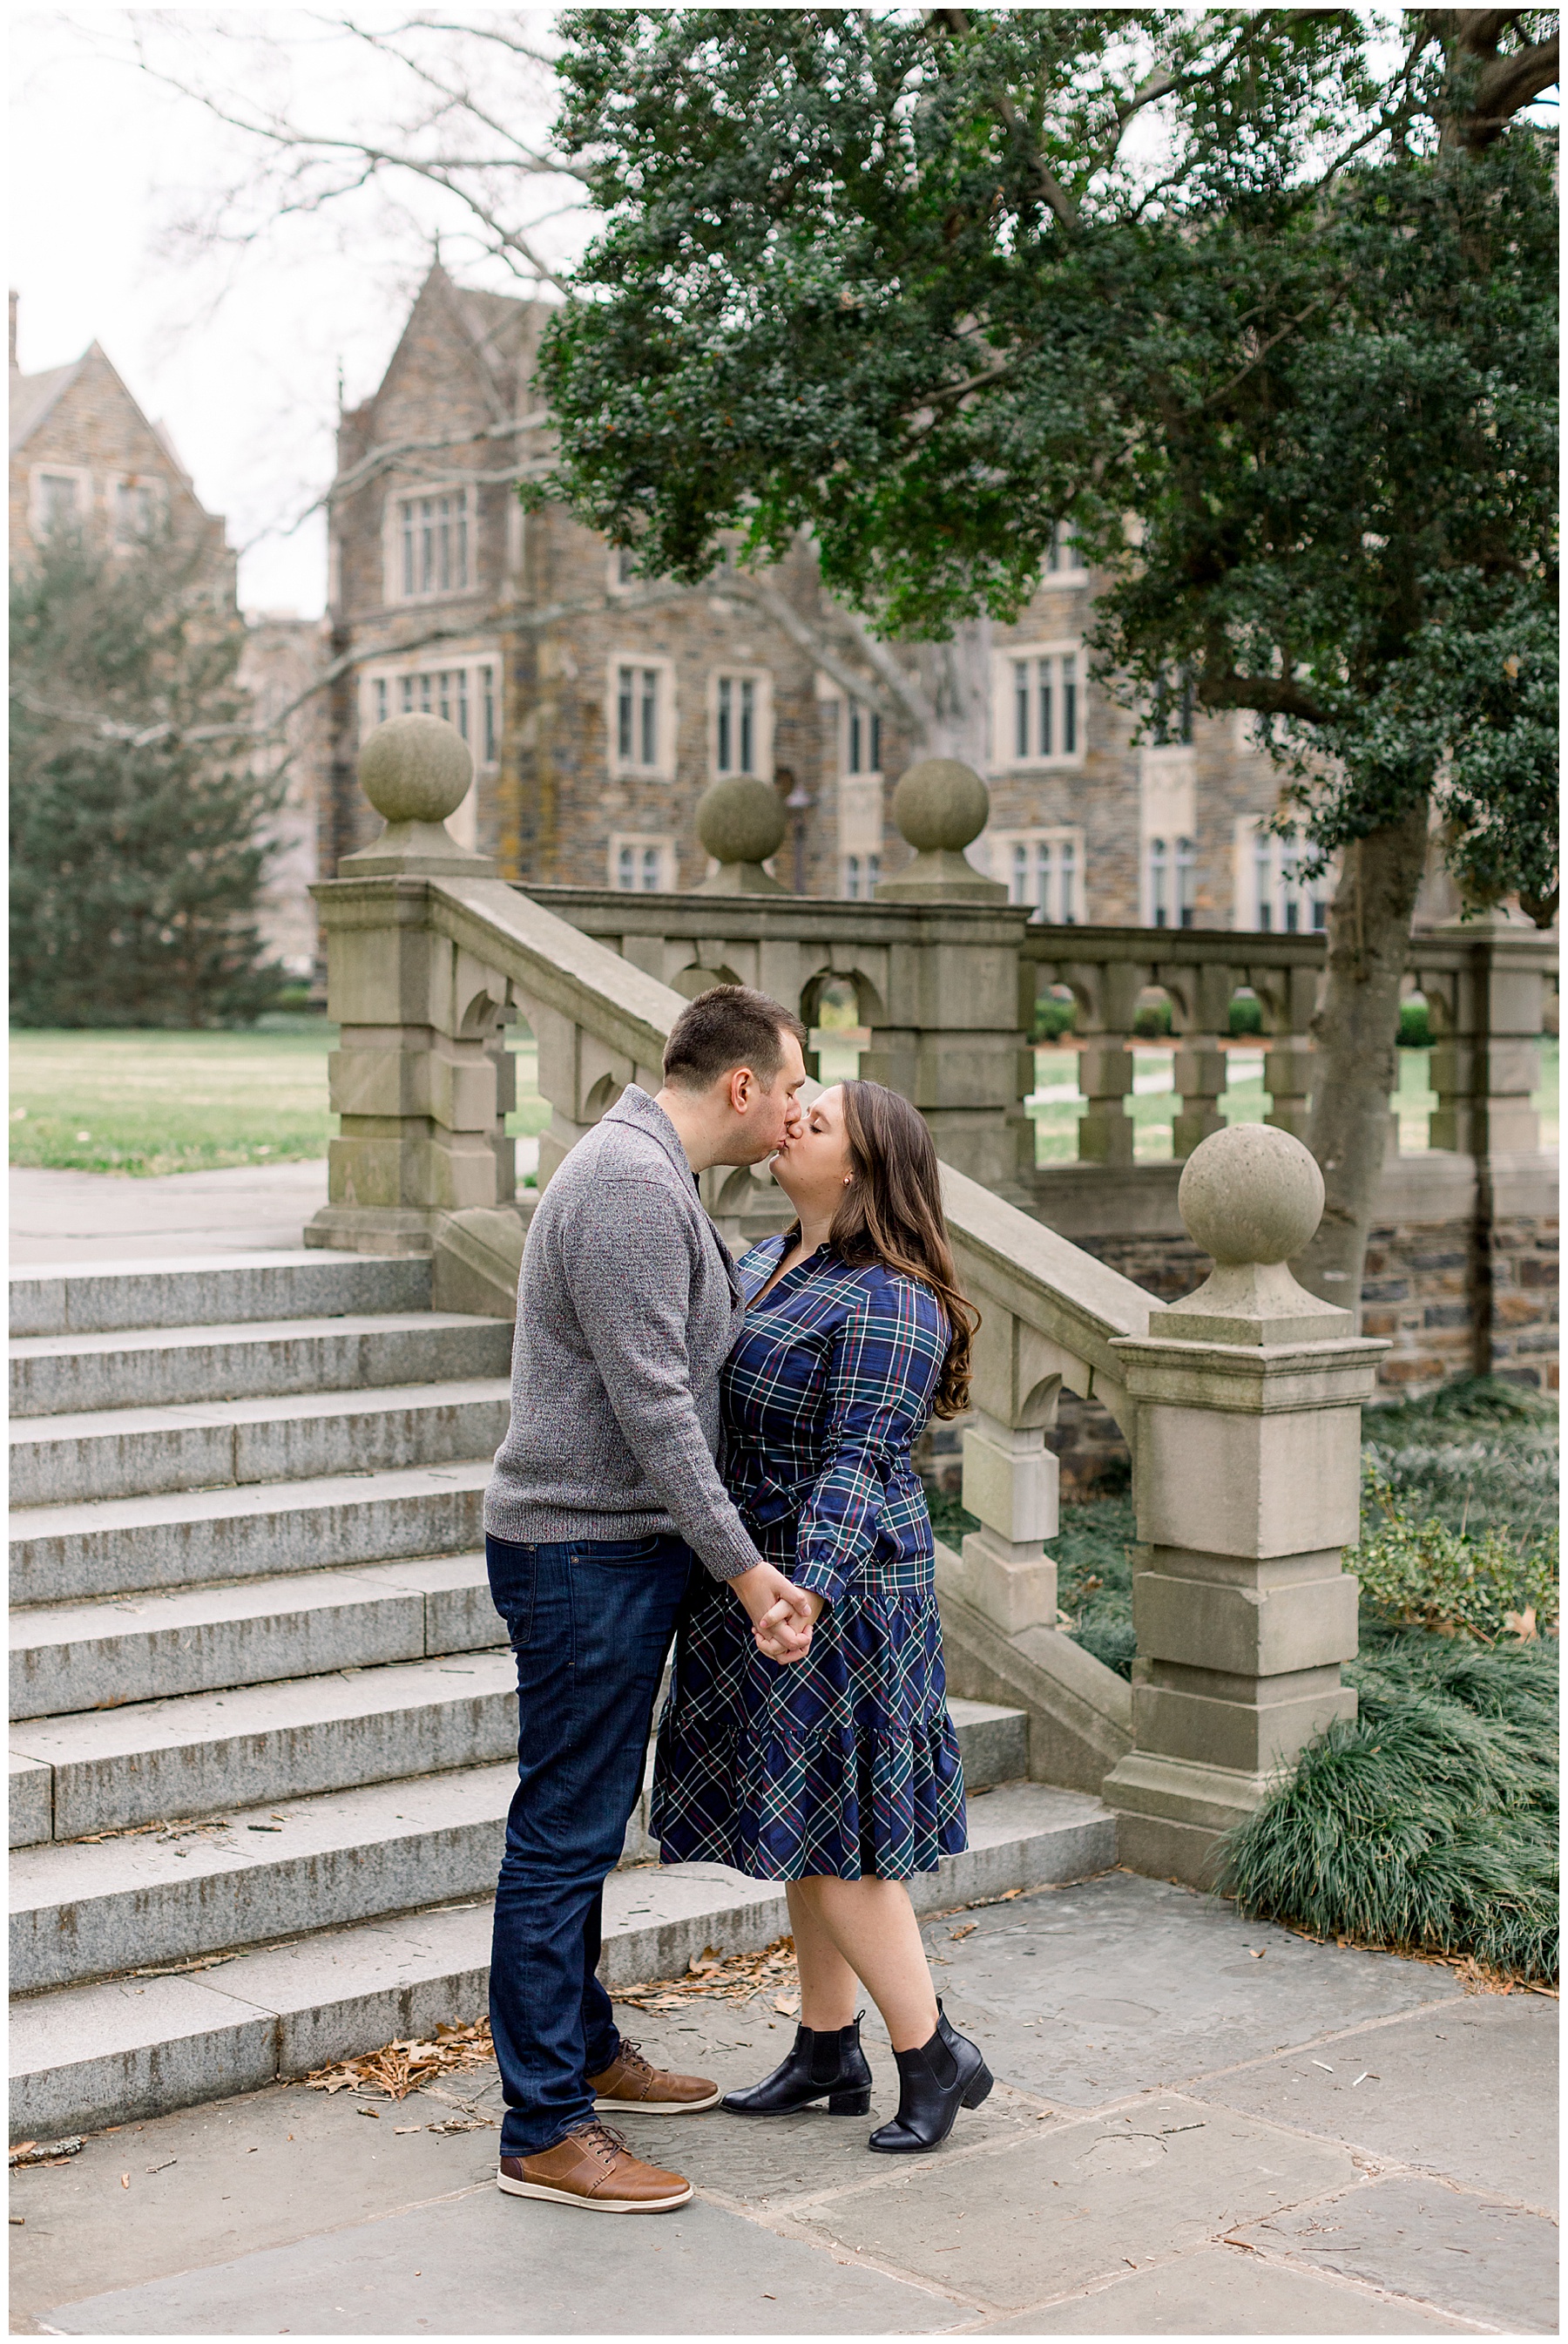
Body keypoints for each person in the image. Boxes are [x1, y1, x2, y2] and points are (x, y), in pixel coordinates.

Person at [483, 986, 821, 2214]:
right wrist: (744, 1567)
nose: (795, 1114)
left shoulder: (651, 1171)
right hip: (581, 1556)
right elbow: (655, 1405)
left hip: (610, 1553)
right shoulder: (630, 1184)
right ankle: (544, 2128)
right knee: (563, 1835)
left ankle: (583, 2055)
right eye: (789, 1089)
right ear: (741, 1086)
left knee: (577, 1821)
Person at [652, 1077, 994, 2154]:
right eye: (800, 1100)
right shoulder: (762, 1259)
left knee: (842, 1845)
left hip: (841, 1594)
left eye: (824, 1114)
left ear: (861, 1164)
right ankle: (825, 2043)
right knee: (801, 1823)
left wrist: (808, 1586)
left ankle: (934, 2050)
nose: (795, 1114)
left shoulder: (894, 1295)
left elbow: (859, 1460)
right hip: (763, 1581)